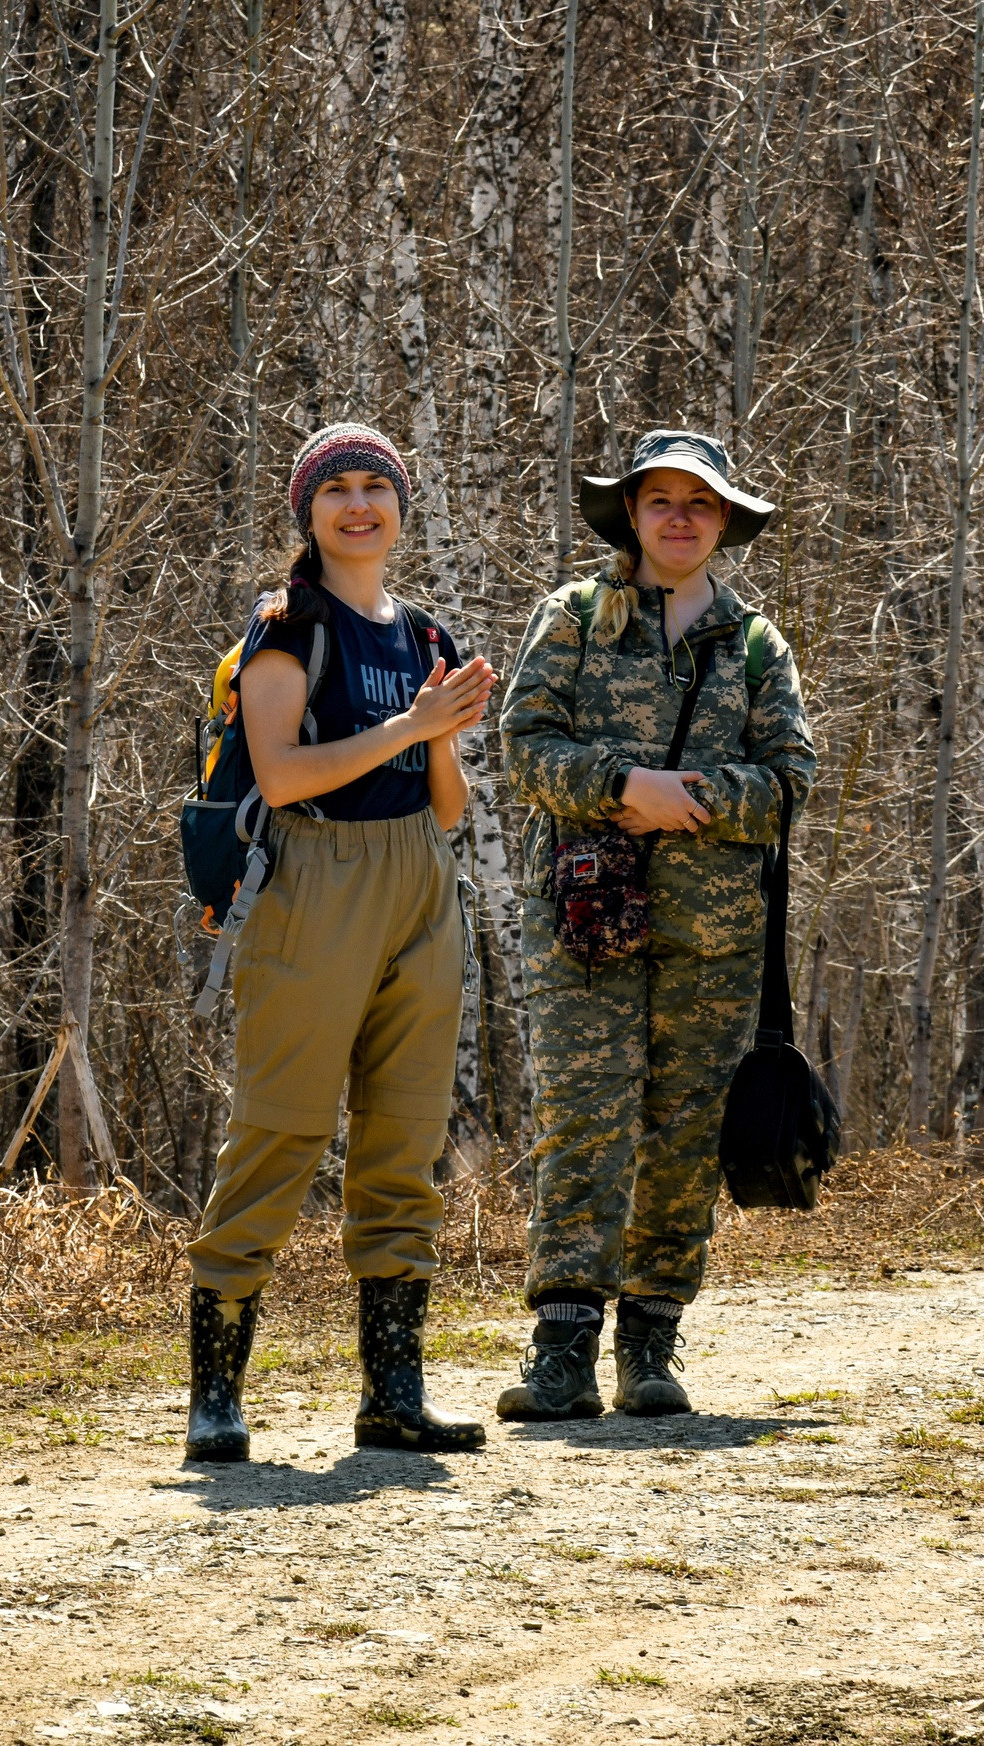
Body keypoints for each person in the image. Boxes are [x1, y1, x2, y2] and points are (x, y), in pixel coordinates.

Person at [183, 423, 498, 1463]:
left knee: (406, 1137)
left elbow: (448, 809)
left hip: (420, 877)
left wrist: (440, 734)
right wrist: (411, 728)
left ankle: (393, 1395)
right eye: (338, 490)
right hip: (316, 876)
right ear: (307, 514)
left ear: (402, 510)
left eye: (378, 487)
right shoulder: (289, 629)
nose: (359, 505)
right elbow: (282, 777)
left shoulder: (424, 635)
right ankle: (217, 1398)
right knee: (283, 1126)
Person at [494, 430, 816, 1421]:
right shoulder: (575, 620)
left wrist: (695, 799)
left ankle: (650, 1342)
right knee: (581, 1121)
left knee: (682, 1134)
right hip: (585, 926)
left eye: (701, 504)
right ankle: (561, 1348)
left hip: (715, 940)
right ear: (630, 515)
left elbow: (791, 779)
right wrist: (620, 787)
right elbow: (522, 744)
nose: (681, 518)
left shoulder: (756, 644)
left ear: (723, 523)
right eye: (661, 500)